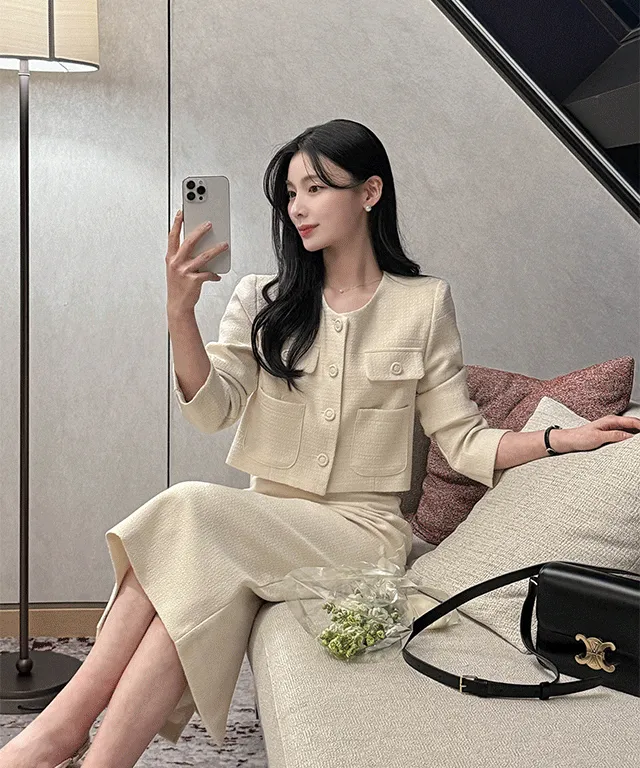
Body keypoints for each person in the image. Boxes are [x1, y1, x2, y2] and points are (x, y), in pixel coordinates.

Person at [2, 118, 637, 768]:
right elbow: (212, 409)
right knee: (185, 598)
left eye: (315, 188)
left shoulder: (423, 304)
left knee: (187, 508)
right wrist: (179, 313)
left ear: (369, 192)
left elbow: (464, 441)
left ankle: (55, 734)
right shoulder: (262, 299)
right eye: (289, 193)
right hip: (267, 522)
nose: (297, 207)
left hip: (362, 537)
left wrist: (562, 437)